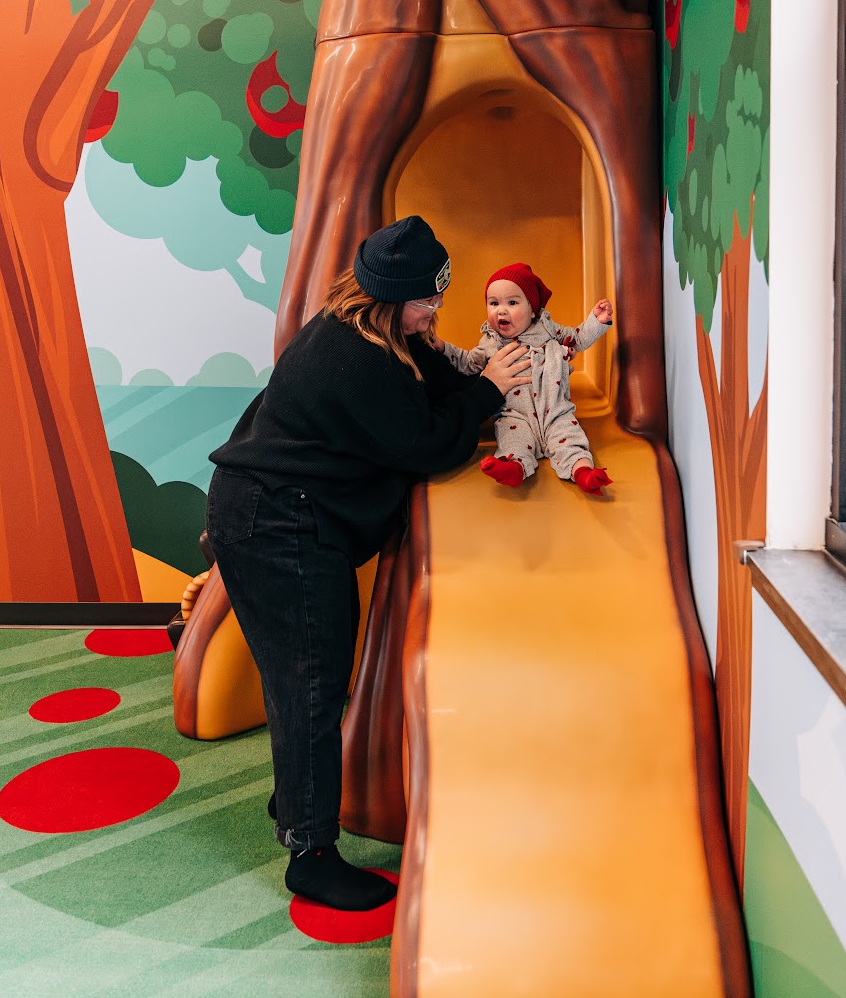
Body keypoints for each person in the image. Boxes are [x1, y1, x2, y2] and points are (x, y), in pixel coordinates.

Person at [204, 216, 530, 911]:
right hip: (276, 521)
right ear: (389, 299)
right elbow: (427, 441)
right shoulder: (354, 357)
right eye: (425, 301)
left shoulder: (383, 334)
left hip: (271, 509)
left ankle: (298, 798)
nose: (435, 311)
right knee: (313, 685)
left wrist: (475, 372)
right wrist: (490, 388)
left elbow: (433, 384)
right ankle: (310, 854)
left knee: (305, 681)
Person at [433, 262, 613, 494]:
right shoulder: (490, 342)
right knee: (512, 440)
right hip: (515, 414)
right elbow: (467, 362)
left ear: (533, 309)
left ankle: (584, 472)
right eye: (494, 303)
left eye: (512, 303)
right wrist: (443, 348)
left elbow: (576, 338)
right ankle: (514, 468)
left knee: (570, 439)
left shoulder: (547, 330)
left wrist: (596, 322)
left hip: (555, 410)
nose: (501, 310)